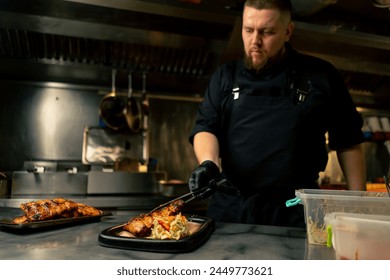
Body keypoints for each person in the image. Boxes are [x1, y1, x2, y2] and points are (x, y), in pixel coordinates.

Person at [187, 0, 366, 227]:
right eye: (248, 30)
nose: (255, 41)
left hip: (297, 211)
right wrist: (208, 164)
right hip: (232, 210)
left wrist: (358, 206)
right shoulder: (226, 76)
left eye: (267, 32)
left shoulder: (320, 75)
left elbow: (348, 141)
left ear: (288, 31)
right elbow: (206, 127)